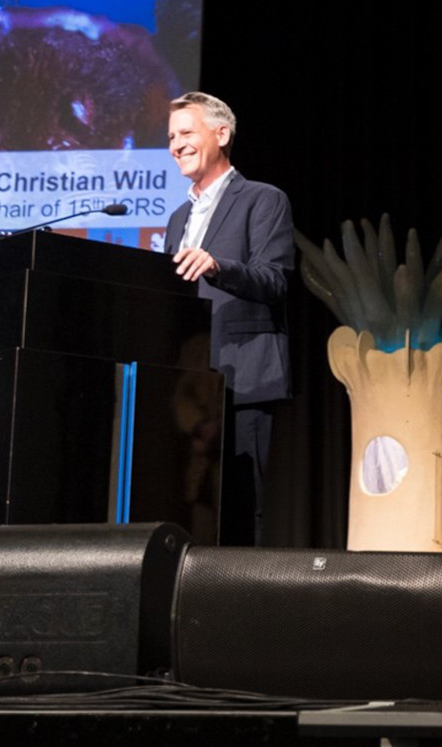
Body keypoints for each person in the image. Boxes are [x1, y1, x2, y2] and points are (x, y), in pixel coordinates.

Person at [165, 91, 294, 546]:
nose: (176, 145)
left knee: (241, 508)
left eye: (186, 133)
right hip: (194, 385)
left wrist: (219, 265)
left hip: (244, 377)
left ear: (222, 134)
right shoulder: (179, 217)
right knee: (191, 510)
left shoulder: (263, 199)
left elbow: (275, 281)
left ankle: (240, 607)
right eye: (171, 137)